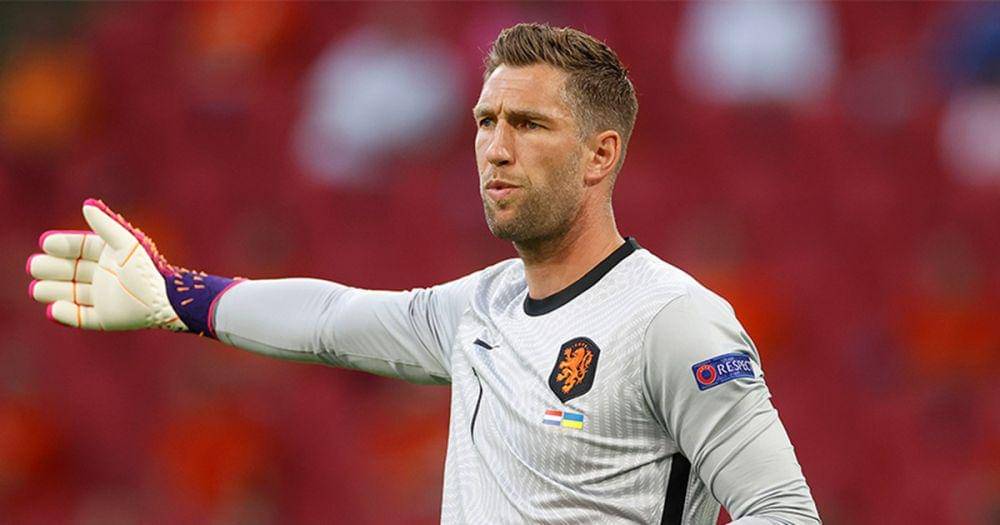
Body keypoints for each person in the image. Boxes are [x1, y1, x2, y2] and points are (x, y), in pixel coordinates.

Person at [26, 23, 820, 524]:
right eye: (486, 121)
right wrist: (177, 296)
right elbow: (330, 319)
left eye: (529, 124)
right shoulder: (481, 305)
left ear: (599, 155)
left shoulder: (673, 319)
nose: (496, 148)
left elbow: (781, 508)